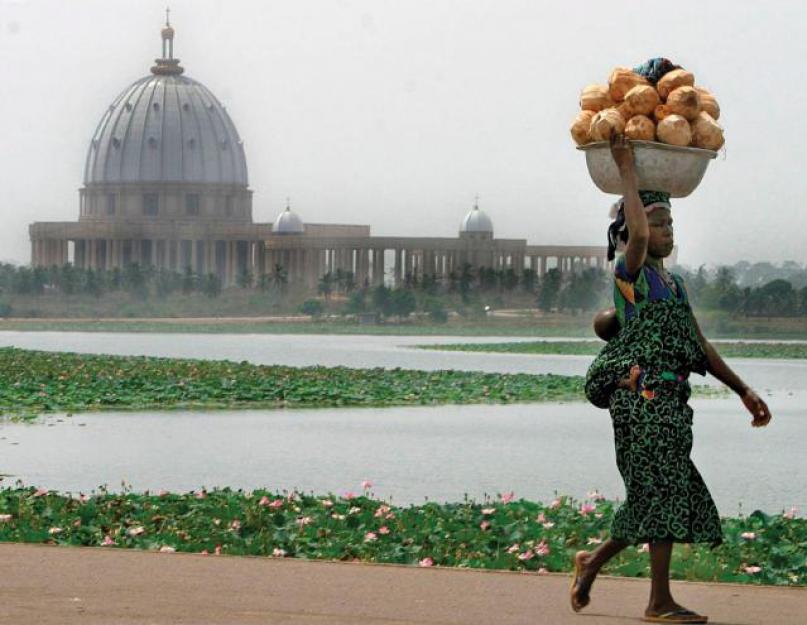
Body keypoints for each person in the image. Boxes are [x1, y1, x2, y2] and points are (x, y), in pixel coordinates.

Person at [570, 134, 773, 624]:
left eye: (669, 223)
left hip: (672, 402)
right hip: (639, 401)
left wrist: (743, 389)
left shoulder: (675, 285)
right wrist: (626, 172)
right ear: (626, 232)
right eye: (656, 222)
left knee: (663, 493)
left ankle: (595, 562)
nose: (664, 231)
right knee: (657, 495)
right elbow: (637, 238)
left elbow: (699, 346)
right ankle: (656, 600)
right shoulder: (629, 276)